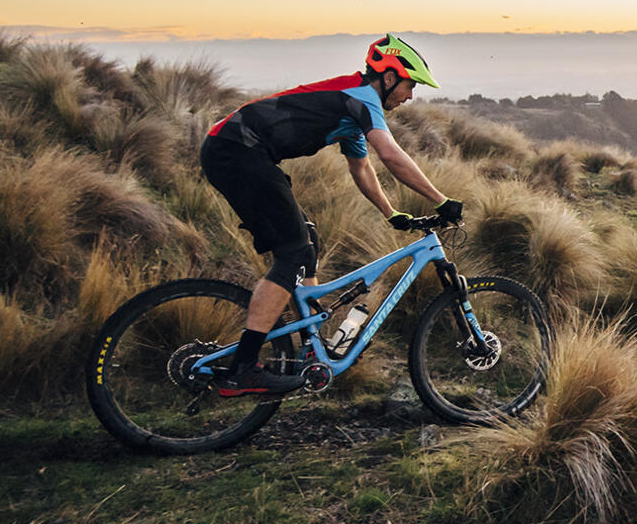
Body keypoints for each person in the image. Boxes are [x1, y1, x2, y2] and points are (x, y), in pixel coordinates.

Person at [198, 33, 464, 396]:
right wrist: (440, 200)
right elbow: (390, 154)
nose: (410, 96)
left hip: (237, 151)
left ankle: (313, 346)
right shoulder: (362, 98)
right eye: (409, 85)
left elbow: (362, 167)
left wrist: (392, 214)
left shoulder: (351, 111)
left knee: (305, 240)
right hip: (237, 151)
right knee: (292, 252)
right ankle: (243, 368)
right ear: (388, 78)